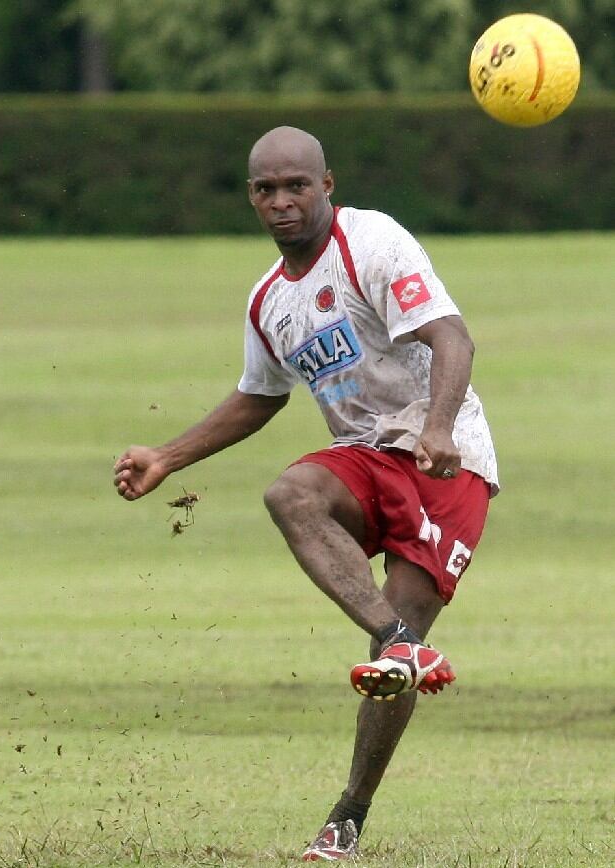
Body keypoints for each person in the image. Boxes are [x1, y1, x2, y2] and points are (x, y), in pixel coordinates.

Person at [113, 126, 498, 862]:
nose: (283, 201)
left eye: (298, 185)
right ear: (251, 198)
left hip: (446, 462)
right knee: (291, 495)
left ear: (328, 186)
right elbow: (259, 398)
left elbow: (453, 339)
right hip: (362, 457)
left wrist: (441, 428)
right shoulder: (268, 300)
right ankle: (396, 645)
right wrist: (167, 455)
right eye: (267, 189)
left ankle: (349, 812)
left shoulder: (372, 242)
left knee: (401, 643)